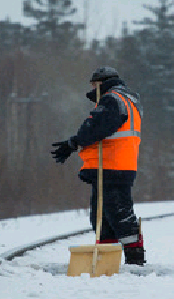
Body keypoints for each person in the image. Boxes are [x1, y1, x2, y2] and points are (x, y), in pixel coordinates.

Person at [51, 66, 146, 265]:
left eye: (94, 85)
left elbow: (94, 128)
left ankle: (135, 261)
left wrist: (73, 143)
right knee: (103, 217)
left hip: (111, 166)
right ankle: (107, 262)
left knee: (118, 215)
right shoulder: (128, 100)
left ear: (102, 83)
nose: (93, 89)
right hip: (117, 165)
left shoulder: (112, 100)